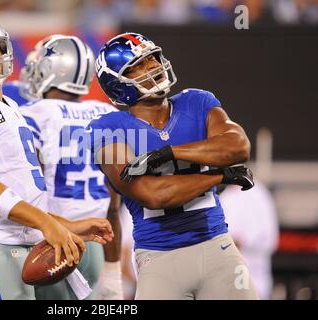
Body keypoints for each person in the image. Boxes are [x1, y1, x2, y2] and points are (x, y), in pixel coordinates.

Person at [0, 15, 113, 300]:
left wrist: (66, 224)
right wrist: (48, 225)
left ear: (5, 52)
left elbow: (23, 193)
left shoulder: (11, 105)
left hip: (28, 238)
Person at [88, 32, 258, 299]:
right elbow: (154, 195)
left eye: (152, 58)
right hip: (159, 259)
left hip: (219, 249)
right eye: (139, 65)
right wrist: (219, 176)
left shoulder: (196, 101)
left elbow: (238, 146)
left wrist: (169, 153)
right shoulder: (107, 128)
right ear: (117, 84)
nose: (152, 67)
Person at [17, 35, 123, 300]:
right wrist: (114, 271)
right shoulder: (104, 113)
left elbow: (26, 186)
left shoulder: (34, 113)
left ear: (53, 69)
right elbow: (113, 203)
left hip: (51, 242)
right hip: (97, 246)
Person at [219, 181, 279, 299]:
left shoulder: (258, 194)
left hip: (254, 278)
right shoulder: (224, 197)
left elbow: (269, 237)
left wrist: (241, 241)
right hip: (227, 281)